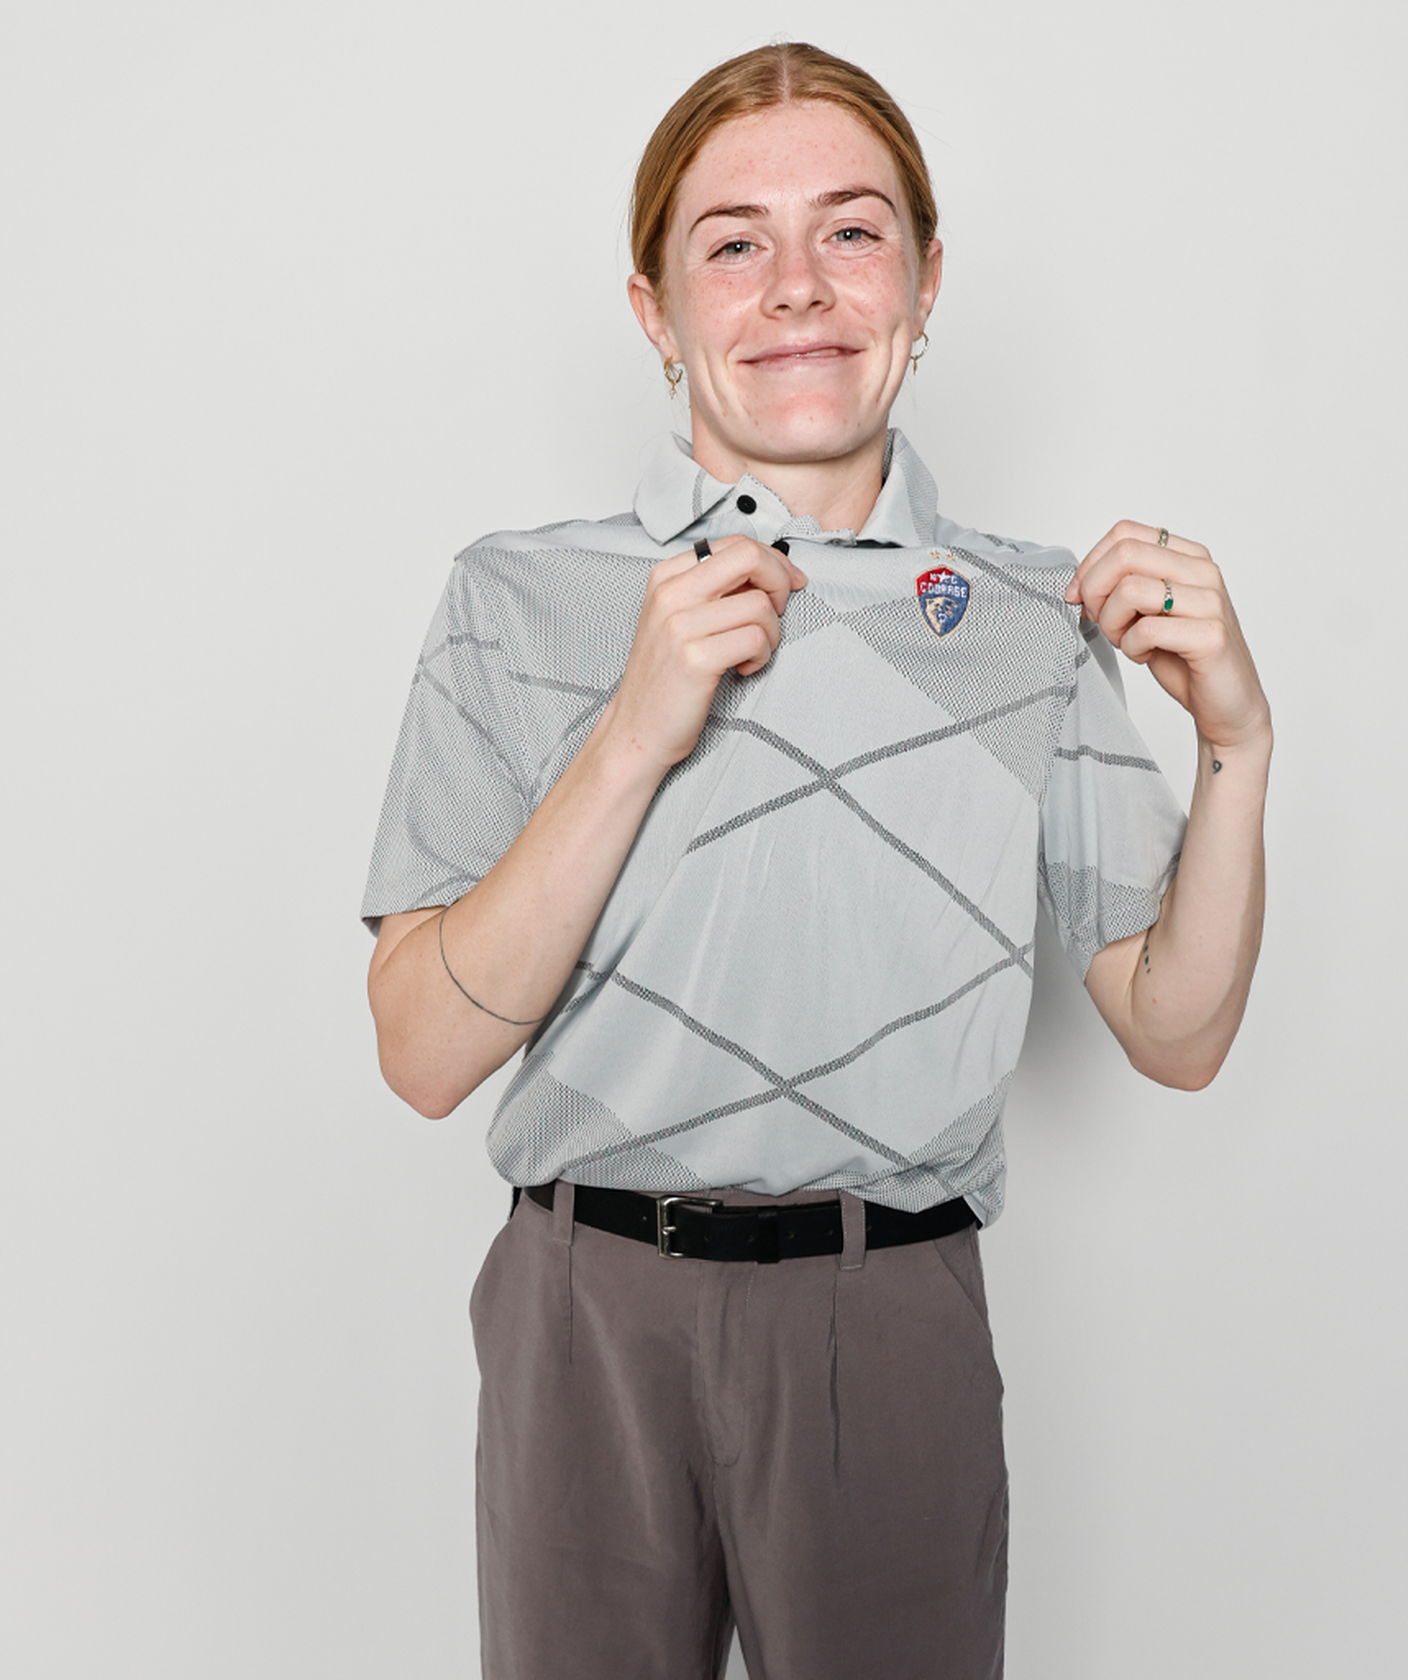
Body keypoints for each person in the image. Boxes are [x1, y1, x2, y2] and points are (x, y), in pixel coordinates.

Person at [362, 41, 1270, 1680]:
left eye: (852, 232)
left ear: (925, 284)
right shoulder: (520, 599)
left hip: (887, 1312)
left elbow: (1180, 1031)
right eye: (734, 241)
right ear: (655, 309)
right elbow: (423, 1052)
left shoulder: (1024, 620)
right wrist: (635, 727)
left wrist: (1239, 751)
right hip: (585, 1306)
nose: (798, 286)